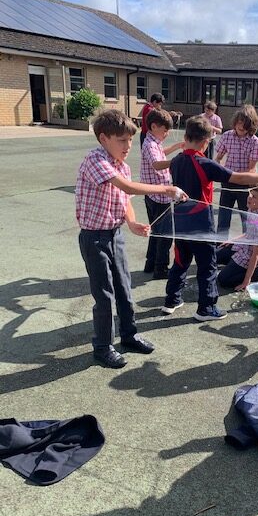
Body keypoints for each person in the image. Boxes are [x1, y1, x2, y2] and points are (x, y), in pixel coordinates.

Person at [76, 109, 187, 369]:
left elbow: (124, 198)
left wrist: (133, 222)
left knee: (124, 289)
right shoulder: (95, 160)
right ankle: (103, 347)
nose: (128, 146)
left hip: (115, 235)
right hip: (94, 238)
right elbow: (127, 187)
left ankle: (129, 334)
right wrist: (167, 189)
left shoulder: (122, 166)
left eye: (129, 140)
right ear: (104, 138)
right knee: (105, 295)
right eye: (122, 140)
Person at [161, 116, 258, 321]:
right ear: (206, 141)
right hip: (200, 223)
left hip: (180, 221)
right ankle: (206, 309)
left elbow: (159, 165)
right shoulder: (204, 163)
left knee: (180, 261)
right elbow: (239, 178)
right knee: (207, 265)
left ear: (186, 136)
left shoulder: (176, 162)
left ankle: (171, 300)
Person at [141, 108, 184, 279]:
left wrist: (176, 146)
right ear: (153, 126)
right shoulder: (150, 144)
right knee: (165, 234)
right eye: (164, 130)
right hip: (158, 196)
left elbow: (161, 153)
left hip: (154, 195)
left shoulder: (154, 142)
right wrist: (177, 161)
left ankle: (150, 263)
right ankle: (161, 268)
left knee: (156, 231)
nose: (166, 133)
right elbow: (157, 164)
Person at [215, 105, 258, 236]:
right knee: (223, 218)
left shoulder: (255, 142)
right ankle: (220, 246)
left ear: (251, 126)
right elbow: (218, 157)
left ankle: (246, 246)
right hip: (227, 182)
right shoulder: (227, 136)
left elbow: (252, 169)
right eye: (239, 124)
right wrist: (217, 166)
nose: (241, 128)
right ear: (235, 122)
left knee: (246, 218)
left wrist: (237, 177)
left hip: (245, 185)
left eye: (245, 126)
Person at [216, 183, 258, 290]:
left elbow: (256, 254)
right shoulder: (253, 210)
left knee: (222, 280)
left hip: (250, 255)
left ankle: (255, 271)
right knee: (215, 255)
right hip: (244, 247)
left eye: (254, 196)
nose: (249, 198)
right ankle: (237, 267)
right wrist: (232, 240)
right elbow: (248, 234)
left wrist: (246, 282)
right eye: (250, 194)